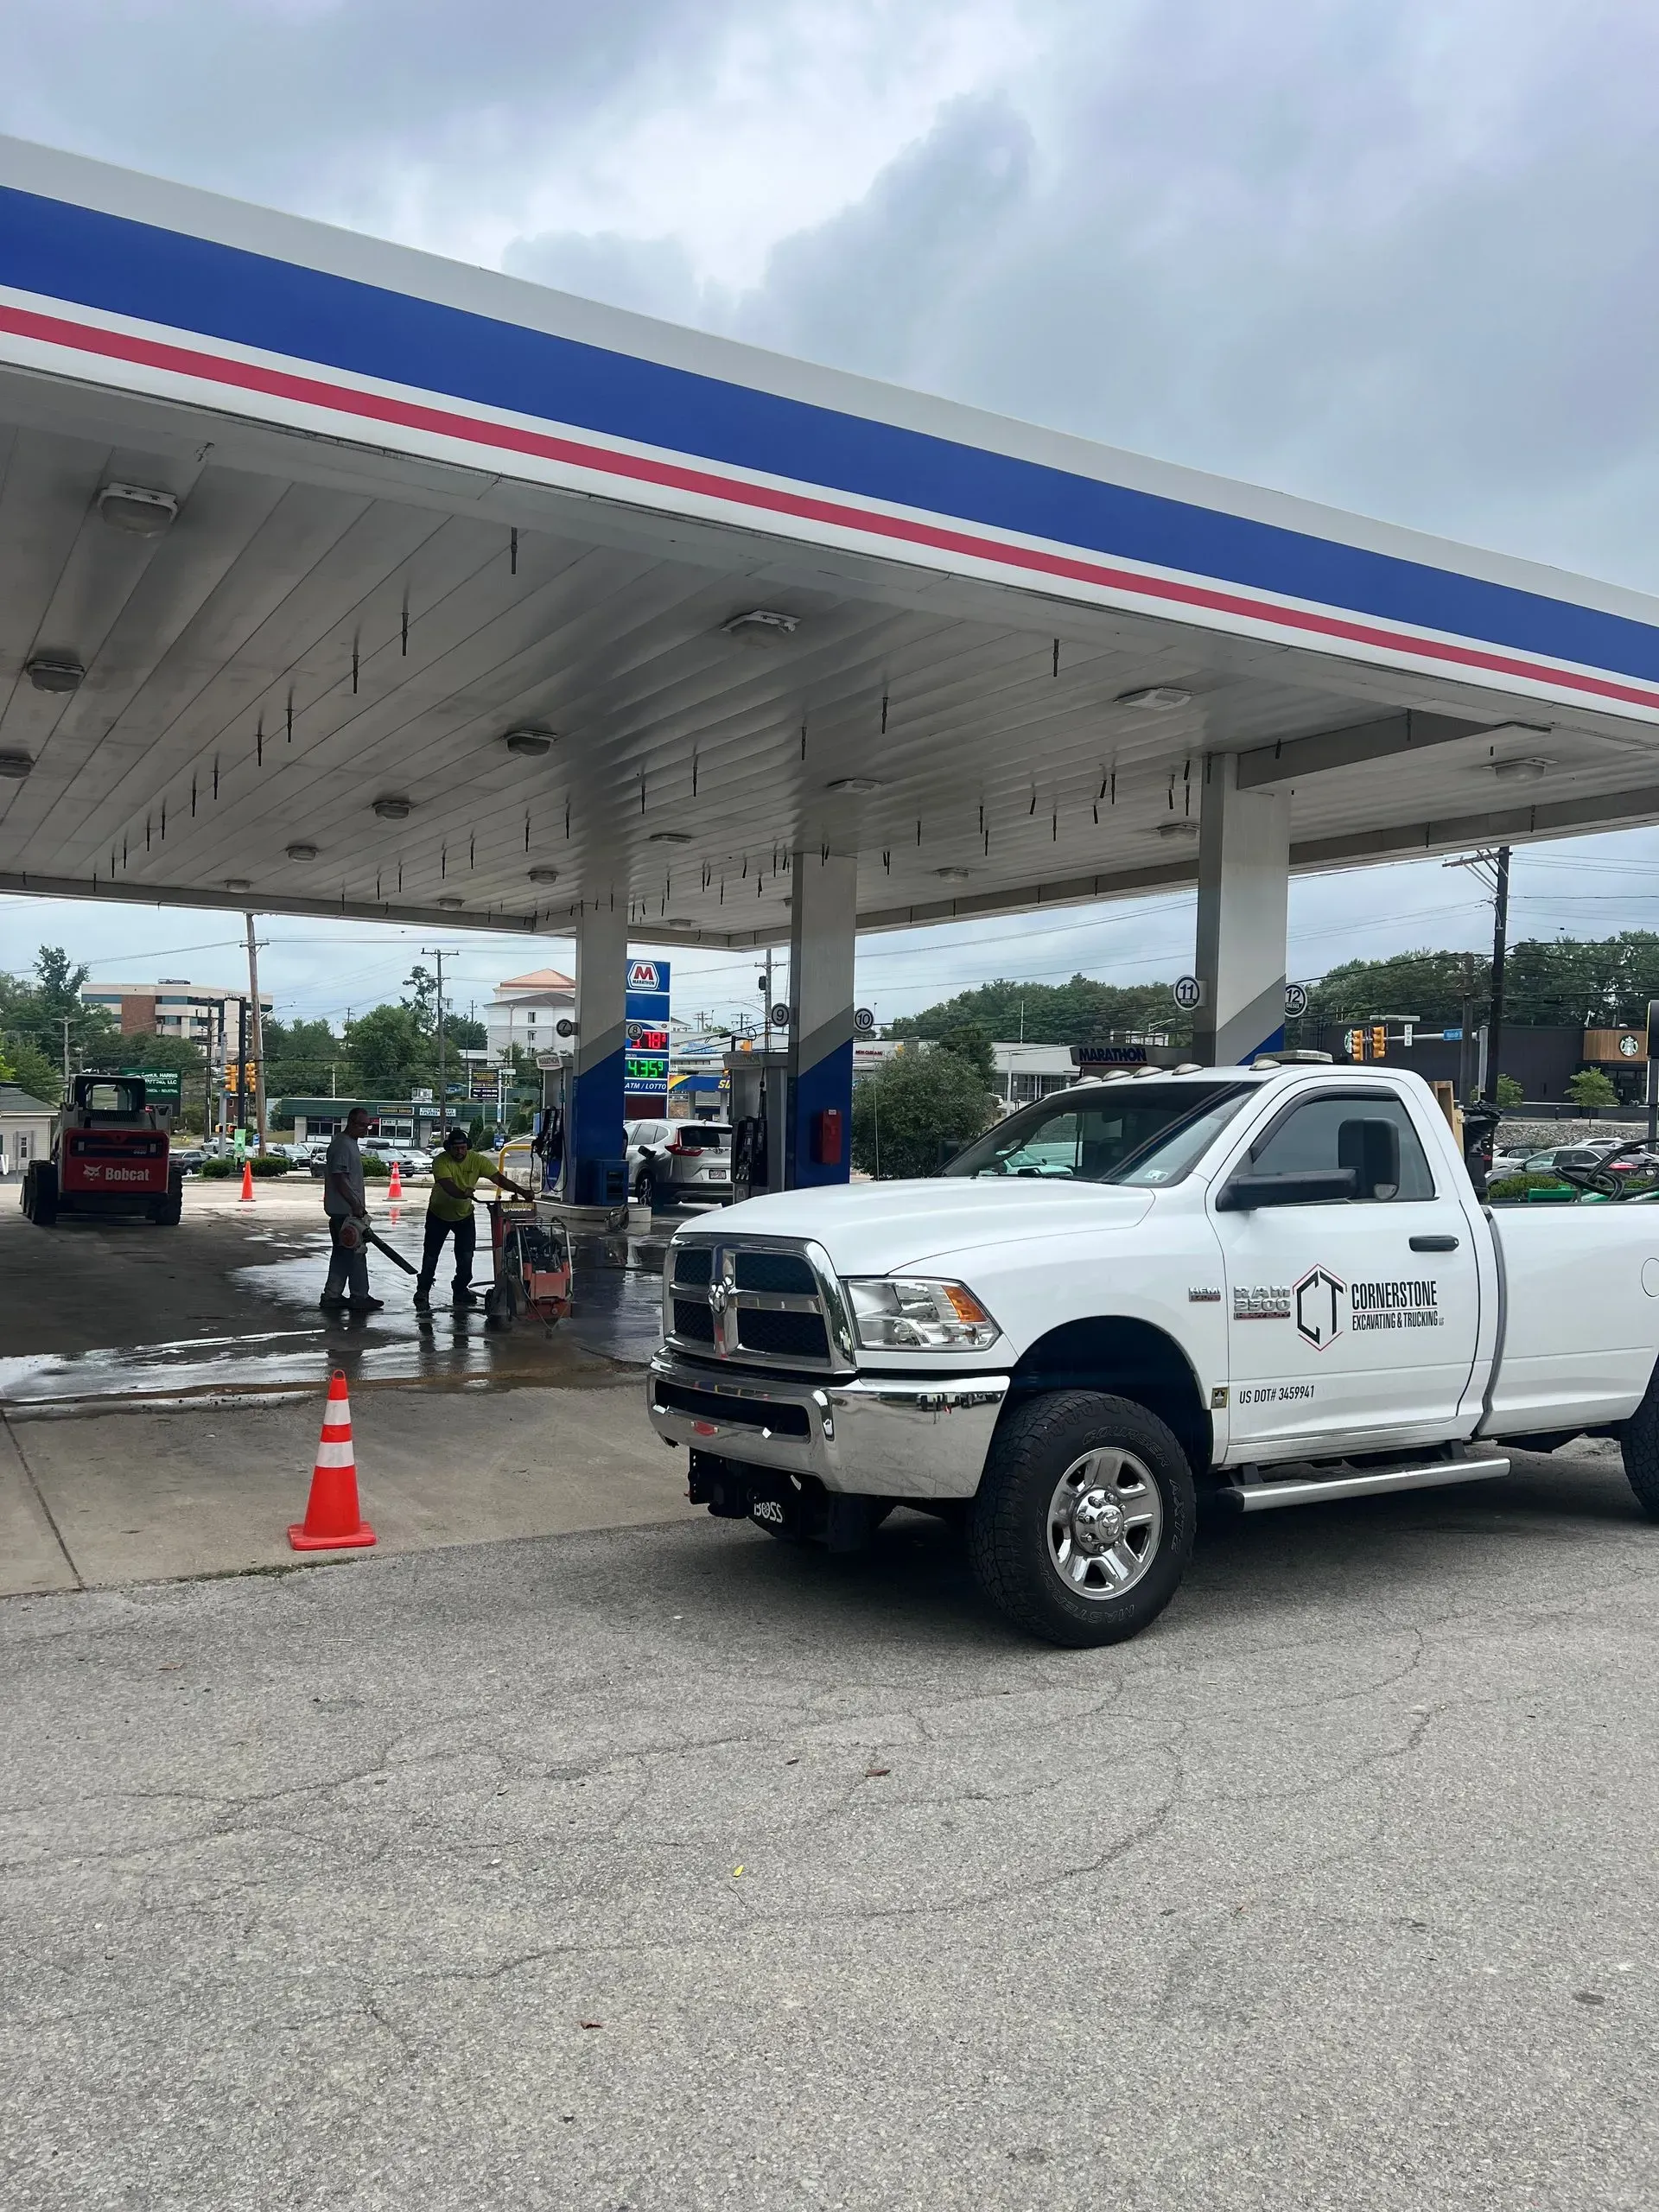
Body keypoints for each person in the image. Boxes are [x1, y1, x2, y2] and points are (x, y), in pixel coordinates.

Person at [414, 1128, 533, 1310]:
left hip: (464, 1215)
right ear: (448, 1148)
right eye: (455, 1149)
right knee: (431, 1255)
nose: (460, 1152)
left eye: (463, 1148)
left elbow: (499, 1179)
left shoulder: (478, 1160)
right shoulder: (440, 1161)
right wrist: (462, 1193)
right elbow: (447, 1185)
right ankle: (423, 1290)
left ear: (467, 1147)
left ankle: (460, 1289)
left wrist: (521, 1191)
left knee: (466, 1256)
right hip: (438, 1214)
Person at [320, 1106, 384, 1313]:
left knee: (349, 1254)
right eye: (362, 1125)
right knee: (351, 1253)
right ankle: (347, 1296)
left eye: (368, 1125)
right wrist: (355, 1205)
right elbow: (339, 1177)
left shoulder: (350, 1144)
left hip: (347, 1211)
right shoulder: (342, 1145)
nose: (366, 1129)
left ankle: (345, 1295)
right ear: (351, 1122)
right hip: (343, 1212)